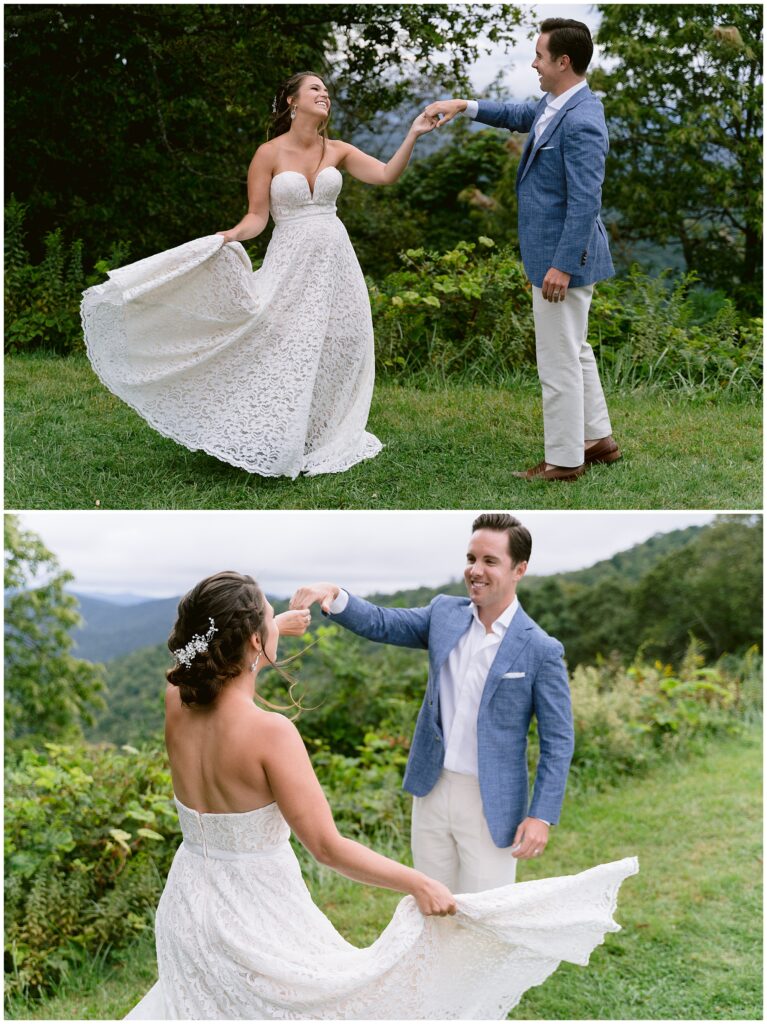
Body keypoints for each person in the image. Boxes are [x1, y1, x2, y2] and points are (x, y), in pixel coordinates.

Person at [126, 569, 637, 1019]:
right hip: (257, 910)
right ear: (254, 642)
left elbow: (214, 661)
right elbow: (327, 848)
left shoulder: (176, 698)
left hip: (188, 904)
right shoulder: (270, 734)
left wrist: (270, 626)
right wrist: (418, 882)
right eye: (265, 618)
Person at [81, 72, 436, 479]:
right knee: (282, 340)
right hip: (291, 259)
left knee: (342, 340)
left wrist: (414, 133)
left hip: (335, 257)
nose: (325, 95)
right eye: (315, 89)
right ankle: (264, 427)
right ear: (291, 101)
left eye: (327, 91)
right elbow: (256, 217)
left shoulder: (338, 149)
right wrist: (230, 236)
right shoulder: (267, 153)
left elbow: (386, 175)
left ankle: (317, 434)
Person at [291, 513, 574, 894]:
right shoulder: (443, 614)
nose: (476, 570)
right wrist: (335, 594)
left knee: (485, 919)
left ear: (519, 569)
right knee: (433, 907)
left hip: (492, 803)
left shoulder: (541, 649)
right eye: (472, 558)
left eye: (490, 561)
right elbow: (381, 622)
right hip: (432, 789)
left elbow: (558, 742)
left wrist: (541, 815)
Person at [422, 19, 621, 482]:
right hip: (556, 255)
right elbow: (518, 115)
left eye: (540, 55)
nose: (534, 63)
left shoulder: (584, 119)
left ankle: (565, 461)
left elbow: (586, 201)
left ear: (563, 62)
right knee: (576, 349)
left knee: (557, 361)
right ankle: (598, 441)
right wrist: (463, 105)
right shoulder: (557, 104)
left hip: (562, 259)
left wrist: (562, 265)